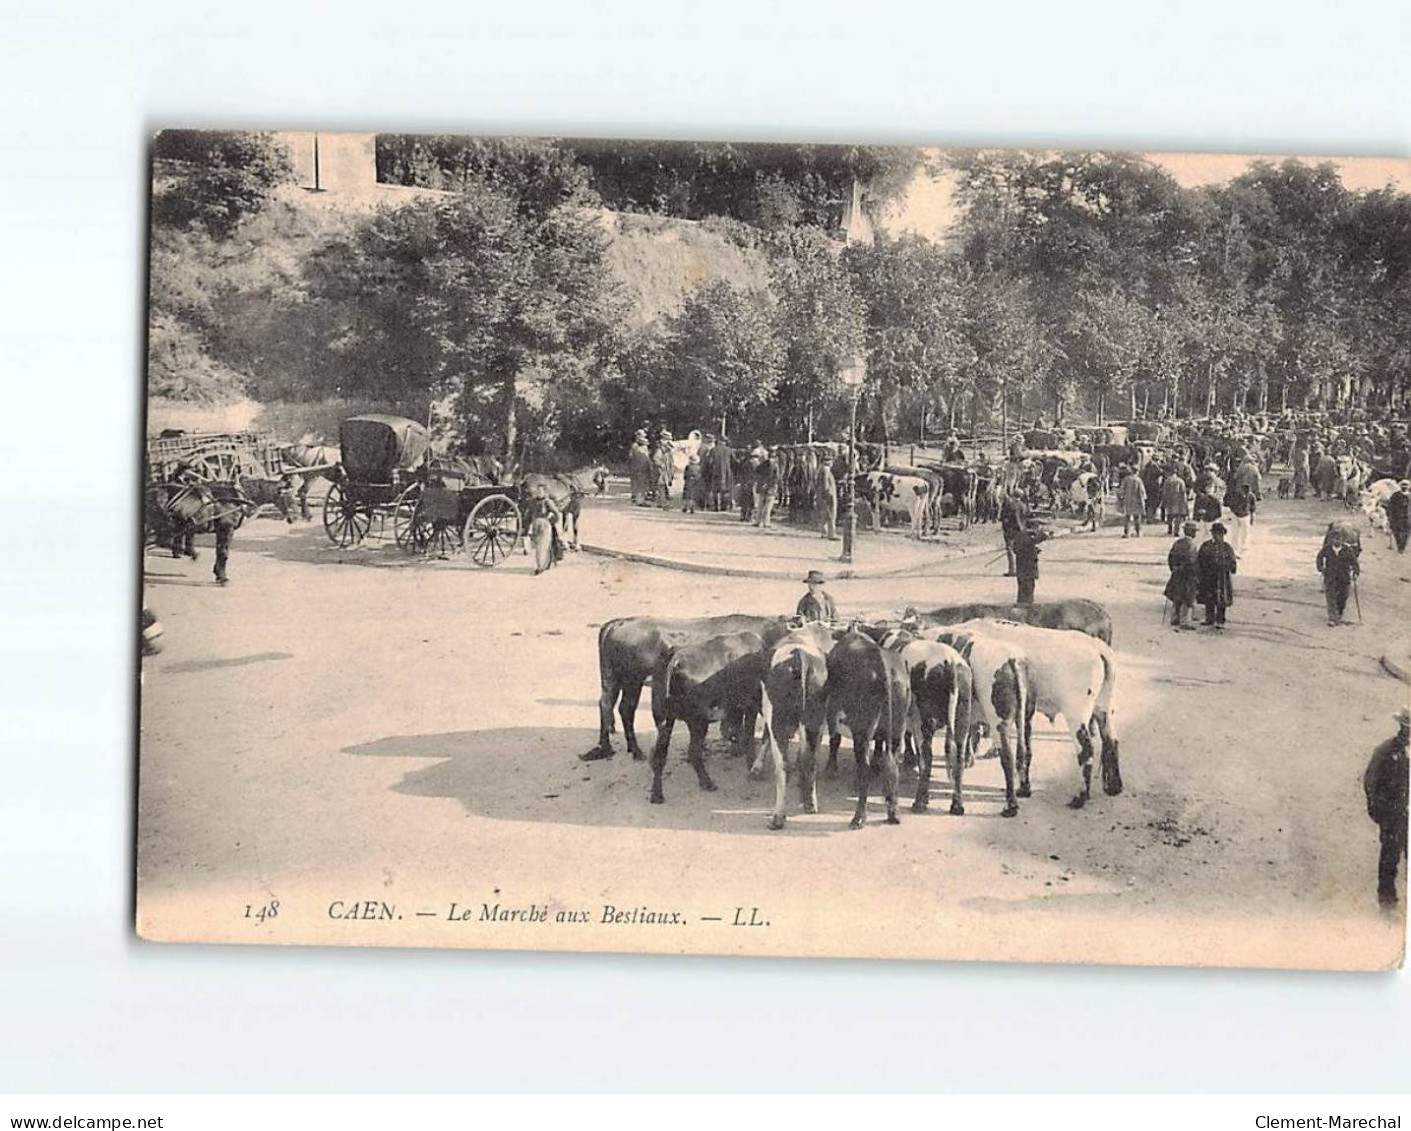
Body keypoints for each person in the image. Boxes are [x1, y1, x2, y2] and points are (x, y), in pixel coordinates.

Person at [1365, 709, 1410, 906]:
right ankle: (1386, 900)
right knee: (1390, 857)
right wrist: (1382, 813)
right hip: (1394, 814)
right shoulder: (1387, 751)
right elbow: (1372, 782)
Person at [1196, 521, 1237, 630]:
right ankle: (1209, 619)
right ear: (1213, 534)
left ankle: (1220, 620)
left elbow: (1233, 562)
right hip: (1208, 576)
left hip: (1222, 577)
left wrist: (1230, 568)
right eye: (1216, 533)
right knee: (1209, 598)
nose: (1218, 536)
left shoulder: (1227, 547)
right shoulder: (1206, 546)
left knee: (1221, 599)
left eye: (1220, 534)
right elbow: (1199, 560)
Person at [1316, 527, 1360, 627]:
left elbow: (1354, 562)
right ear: (1331, 540)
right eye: (1335, 539)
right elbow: (1319, 557)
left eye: (1339, 539)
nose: (1337, 541)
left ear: (1343, 540)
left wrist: (1355, 573)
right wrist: (1320, 567)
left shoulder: (1347, 550)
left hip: (1344, 577)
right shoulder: (1327, 549)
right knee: (1330, 596)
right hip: (1330, 577)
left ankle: (1339, 613)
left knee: (1342, 597)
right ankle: (1332, 617)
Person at [1164, 521, 1200, 630]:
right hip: (1188, 576)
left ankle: (1174, 618)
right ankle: (1185, 621)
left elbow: (1170, 556)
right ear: (1193, 533)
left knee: (1177, 596)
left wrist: (1173, 568)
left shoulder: (1178, 543)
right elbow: (1192, 561)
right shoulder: (1192, 545)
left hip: (1177, 574)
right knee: (1188, 599)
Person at [1012, 524, 1048, 605]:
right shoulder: (1029, 537)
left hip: (1021, 567)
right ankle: (1027, 605)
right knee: (1029, 587)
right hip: (1029, 567)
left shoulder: (1019, 536)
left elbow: (1015, 549)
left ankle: (1021, 603)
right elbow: (1043, 536)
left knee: (1022, 587)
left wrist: (1034, 549)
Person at [999, 489, 1030, 577]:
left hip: (1011, 530)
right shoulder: (1024, 506)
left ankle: (1012, 569)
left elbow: (1004, 518)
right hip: (1021, 530)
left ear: (1013, 495)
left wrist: (1005, 529)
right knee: (1019, 550)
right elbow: (1026, 517)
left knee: (1010, 549)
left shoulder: (1010, 505)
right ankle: (1021, 569)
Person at [1226, 482, 1255, 558]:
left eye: (1248, 488)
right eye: (1244, 488)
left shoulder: (1251, 496)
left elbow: (1252, 508)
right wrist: (1234, 513)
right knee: (1235, 533)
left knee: (1245, 534)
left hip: (1245, 516)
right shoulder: (1236, 495)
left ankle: (1242, 550)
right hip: (1236, 515)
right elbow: (1231, 505)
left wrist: (1252, 517)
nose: (1246, 490)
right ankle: (1234, 550)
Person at [1117, 465, 1147, 537]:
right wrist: (1144, 498)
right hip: (1137, 500)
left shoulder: (1126, 479)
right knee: (1137, 517)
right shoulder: (1138, 480)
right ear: (1137, 472)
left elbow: (1122, 489)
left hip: (1128, 500)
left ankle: (1126, 533)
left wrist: (1120, 496)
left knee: (1127, 517)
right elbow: (1142, 491)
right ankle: (1138, 532)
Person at [1161, 469, 1189, 536]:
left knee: (1170, 515)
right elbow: (1183, 492)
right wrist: (1185, 503)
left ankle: (1170, 529)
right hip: (1179, 501)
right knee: (1178, 516)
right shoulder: (1181, 481)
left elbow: (1164, 492)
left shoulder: (1167, 481)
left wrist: (1164, 501)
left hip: (1170, 501)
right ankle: (1176, 531)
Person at [627, 431, 651, 506]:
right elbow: (640, 459)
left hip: (637, 468)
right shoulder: (637, 447)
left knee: (638, 483)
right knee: (640, 484)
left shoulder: (637, 447)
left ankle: (636, 497)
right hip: (639, 468)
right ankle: (639, 500)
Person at [1387, 480, 1411, 554]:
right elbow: (1390, 506)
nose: (1404, 487)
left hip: (1408, 518)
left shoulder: (1410, 496)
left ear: (1409, 486)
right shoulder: (1395, 495)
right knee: (1396, 532)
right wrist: (1390, 516)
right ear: (1400, 486)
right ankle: (1399, 544)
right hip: (1396, 517)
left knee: (1406, 533)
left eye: (1406, 485)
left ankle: (1402, 547)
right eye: (1403, 485)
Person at [817, 459, 838, 540]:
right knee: (831, 514)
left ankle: (824, 532)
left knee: (825, 514)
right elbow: (825, 484)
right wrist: (828, 493)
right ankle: (831, 534)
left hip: (823, 495)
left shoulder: (821, 469)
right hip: (829, 495)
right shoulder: (826, 470)